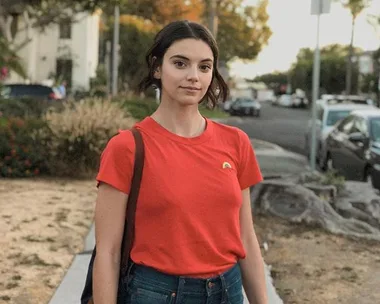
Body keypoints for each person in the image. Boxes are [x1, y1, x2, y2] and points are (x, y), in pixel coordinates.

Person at [93, 20, 268, 304]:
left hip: (228, 291)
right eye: (180, 63)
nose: (193, 76)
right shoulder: (126, 147)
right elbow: (108, 253)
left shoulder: (236, 142)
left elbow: (247, 238)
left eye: (204, 66)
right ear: (157, 67)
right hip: (155, 293)